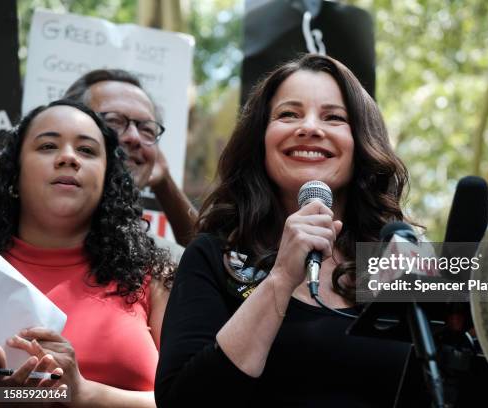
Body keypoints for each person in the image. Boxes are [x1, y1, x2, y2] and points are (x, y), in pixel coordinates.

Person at [155, 54, 412, 406]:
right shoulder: (213, 257)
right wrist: (280, 278)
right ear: (261, 139)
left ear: (362, 143)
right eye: (288, 114)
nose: (309, 128)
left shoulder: (400, 260)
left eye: (334, 117)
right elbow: (182, 400)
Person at [0, 99, 174, 407]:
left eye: (87, 151)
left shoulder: (151, 275)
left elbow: (199, 396)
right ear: (14, 174)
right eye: (48, 146)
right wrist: (7, 395)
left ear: (107, 181)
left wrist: (83, 392)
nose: (68, 158)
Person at [64, 69, 196, 253]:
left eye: (147, 129)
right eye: (114, 121)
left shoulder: (167, 264)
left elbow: (222, 271)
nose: (134, 137)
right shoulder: (16, 250)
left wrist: (165, 182)